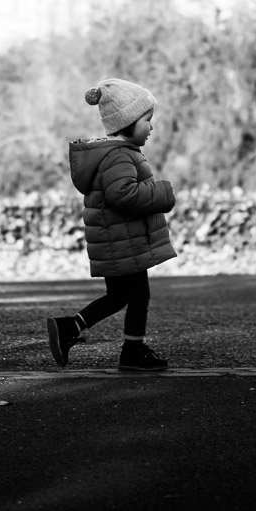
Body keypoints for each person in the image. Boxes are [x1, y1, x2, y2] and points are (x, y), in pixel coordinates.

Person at [47, 78, 177, 371]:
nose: (152, 127)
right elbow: (123, 194)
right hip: (123, 241)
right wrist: (163, 192)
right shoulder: (118, 156)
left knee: (119, 296)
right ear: (128, 121)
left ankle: (70, 328)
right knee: (137, 296)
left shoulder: (114, 154)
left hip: (118, 239)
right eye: (147, 120)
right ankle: (132, 352)